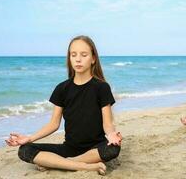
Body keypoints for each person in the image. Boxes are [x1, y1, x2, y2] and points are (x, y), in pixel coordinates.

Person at [6, 35, 122, 174]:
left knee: (113, 148)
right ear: (69, 58)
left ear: (93, 59)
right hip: (69, 148)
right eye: (73, 55)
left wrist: (112, 135)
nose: (78, 59)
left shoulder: (102, 87)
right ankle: (86, 165)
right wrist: (29, 138)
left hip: (95, 148)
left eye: (83, 55)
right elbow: (54, 124)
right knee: (25, 150)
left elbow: (107, 123)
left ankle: (61, 163)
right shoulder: (62, 89)